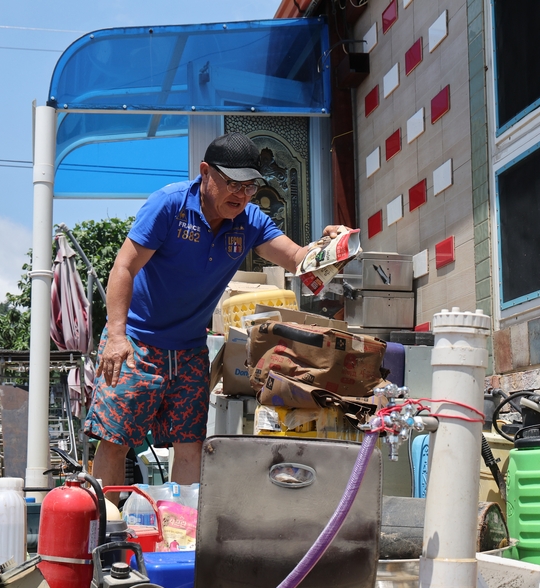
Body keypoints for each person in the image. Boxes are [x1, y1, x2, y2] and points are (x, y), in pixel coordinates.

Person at [84, 132, 345, 488]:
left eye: (250, 186)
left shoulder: (251, 221)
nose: (241, 195)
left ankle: (183, 530)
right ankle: (104, 531)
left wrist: (333, 247)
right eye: (232, 184)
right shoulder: (169, 205)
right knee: (116, 441)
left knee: (190, 443)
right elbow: (123, 268)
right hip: (137, 341)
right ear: (206, 172)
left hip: (191, 348)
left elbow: (299, 260)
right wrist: (116, 335)